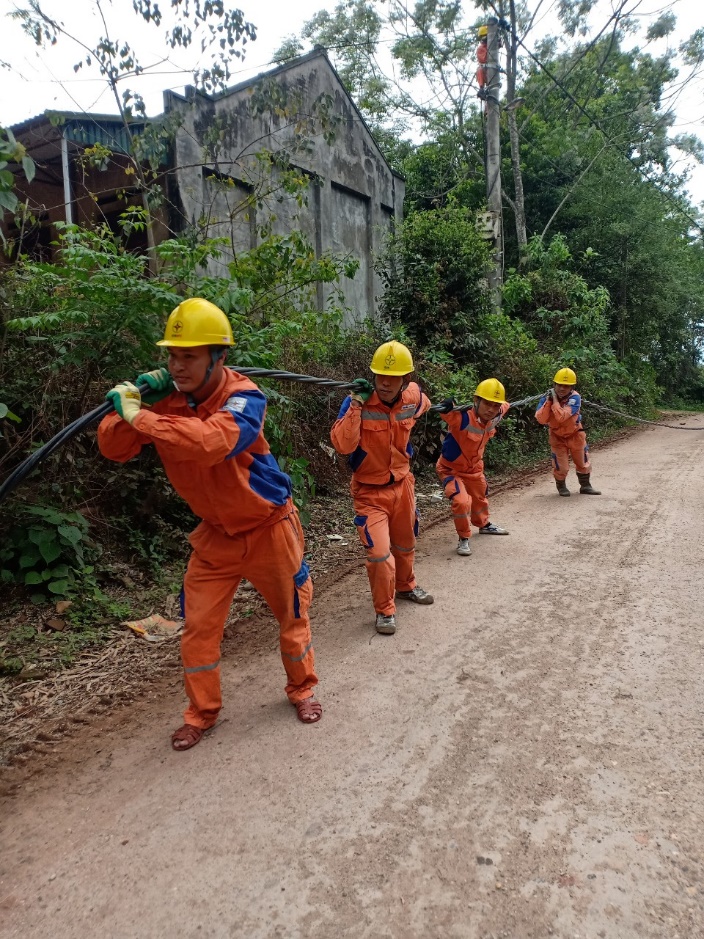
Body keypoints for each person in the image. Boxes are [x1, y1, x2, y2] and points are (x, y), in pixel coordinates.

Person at [97, 298, 321, 751]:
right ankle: (201, 713)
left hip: (269, 528)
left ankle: (303, 689)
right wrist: (132, 405)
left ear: (218, 357)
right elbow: (114, 448)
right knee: (198, 629)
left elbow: (209, 443)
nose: (177, 366)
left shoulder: (245, 397)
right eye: (172, 355)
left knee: (292, 616)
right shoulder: (168, 403)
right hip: (215, 537)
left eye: (189, 356)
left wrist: (140, 415)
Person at [330, 341, 434, 636]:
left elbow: (423, 401)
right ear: (372, 375)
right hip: (369, 493)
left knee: (405, 544)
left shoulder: (411, 398)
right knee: (379, 553)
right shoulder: (357, 403)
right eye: (380, 376)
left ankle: (406, 586)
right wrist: (355, 405)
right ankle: (385, 609)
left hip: (403, 486)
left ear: (405, 380)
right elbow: (342, 445)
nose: (386, 383)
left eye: (394, 378)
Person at [435, 378, 511, 557]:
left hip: (475, 469)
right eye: (486, 404)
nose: (490, 409)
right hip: (450, 469)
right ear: (476, 401)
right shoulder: (462, 418)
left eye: (495, 405)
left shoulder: (496, 415)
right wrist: (447, 404)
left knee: (480, 496)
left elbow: (505, 405)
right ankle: (463, 537)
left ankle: (483, 524)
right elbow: (447, 412)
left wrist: (502, 403)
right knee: (462, 502)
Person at [535, 367, 601, 497]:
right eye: (559, 385)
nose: (562, 388)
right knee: (561, 466)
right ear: (554, 385)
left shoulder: (575, 398)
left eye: (566, 386)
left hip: (575, 434)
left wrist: (555, 402)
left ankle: (585, 486)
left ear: (572, 387)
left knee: (582, 461)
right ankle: (561, 486)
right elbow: (541, 419)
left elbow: (561, 417)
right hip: (557, 436)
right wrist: (549, 401)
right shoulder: (546, 399)